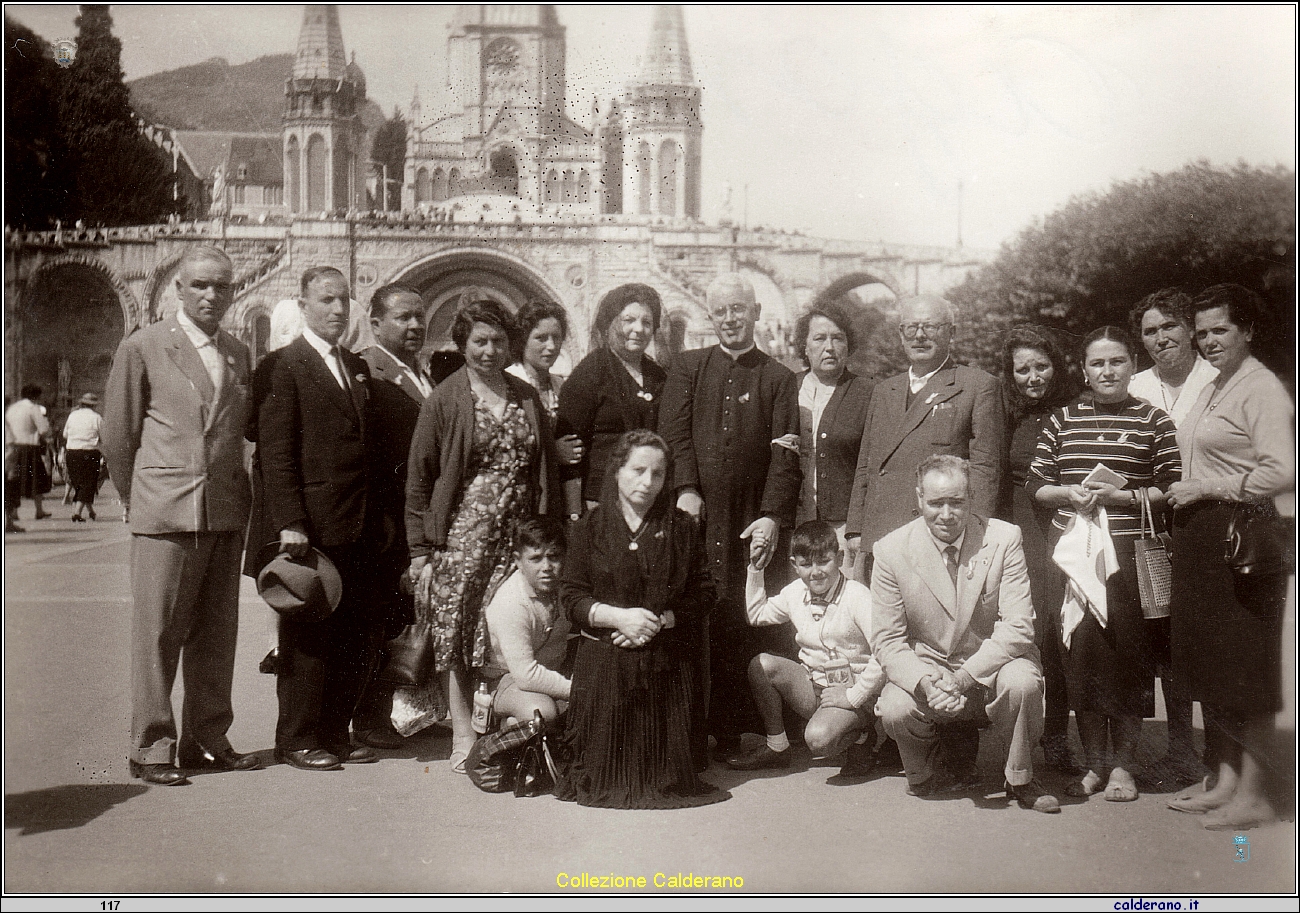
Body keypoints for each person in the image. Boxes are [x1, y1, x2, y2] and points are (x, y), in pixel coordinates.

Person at [101, 245, 259, 785]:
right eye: (201, 286)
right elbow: (118, 434)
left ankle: (207, 738)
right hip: (165, 512)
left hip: (223, 512)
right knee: (158, 635)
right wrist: (138, 497)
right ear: (179, 290)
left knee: (217, 636)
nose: (212, 295)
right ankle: (150, 745)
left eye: (223, 286)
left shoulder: (238, 352)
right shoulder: (144, 346)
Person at [404, 298, 561, 772]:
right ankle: (460, 732)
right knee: (458, 632)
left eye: (498, 341)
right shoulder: (446, 398)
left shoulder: (525, 396)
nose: (490, 351)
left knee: (505, 628)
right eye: (480, 342)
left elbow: (544, 468)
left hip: (516, 536)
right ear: (463, 344)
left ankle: (503, 715)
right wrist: (420, 550)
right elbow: (418, 477)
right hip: (463, 537)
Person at [1027, 326, 1181, 803]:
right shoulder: (1062, 419)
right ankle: (1094, 763)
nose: (1107, 371)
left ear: (1132, 365)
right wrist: (1067, 493)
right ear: (1084, 369)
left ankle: (1123, 767)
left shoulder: (1153, 420)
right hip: (1074, 558)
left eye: (1116, 362)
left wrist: (1124, 496)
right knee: (1083, 659)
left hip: (1131, 559)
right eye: (1098, 363)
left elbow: (1171, 486)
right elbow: (1038, 483)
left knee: (1128, 659)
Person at [658, 273, 802, 762]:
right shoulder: (688, 368)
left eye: (739, 309)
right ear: (710, 315)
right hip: (697, 517)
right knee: (699, 617)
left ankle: (745, 730)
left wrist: (772, 517)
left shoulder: (779, 379)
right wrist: (686, 488)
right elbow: (673, 435)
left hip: (749, 520)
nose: (730, 318)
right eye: (721, 310)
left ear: (756, 312)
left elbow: (786, 455)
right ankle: (696, 728)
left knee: (747, 616)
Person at [1166, 284, 1295, 831]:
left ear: (1247, 331)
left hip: (1246, 541)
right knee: (1213, 667)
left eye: (1221, 329)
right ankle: (1223, 783)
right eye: (1202, 333)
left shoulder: (1261, 387)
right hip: (1206, 543)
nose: (1210, 341)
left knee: (1248, 670)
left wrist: (1206, 488)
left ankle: (1257, 794)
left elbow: (1282, 471)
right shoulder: (1218, 384)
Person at [873, 455, 1059, 814]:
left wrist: (962, 678)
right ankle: (928, 771)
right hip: (931, 672)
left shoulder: (1004, 538)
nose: (946, 514)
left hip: (987, 667)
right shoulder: (890, 550)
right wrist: (928, 684)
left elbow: (1019, 627)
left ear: (971, 498)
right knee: (896, 706)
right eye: (936, 503)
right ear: (918, 499)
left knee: (1022, 681)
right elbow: (888, 642)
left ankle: (1020, 776)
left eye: (956, 502)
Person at [255, 265, 384, 772]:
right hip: (311, 525)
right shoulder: (284, 365)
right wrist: (289, 519)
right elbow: (276, 451)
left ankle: (334, 731)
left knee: (351, 635)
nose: (337, 310)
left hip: (357, 522)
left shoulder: (353, 366)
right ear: (304, 304)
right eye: (326, 300)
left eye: (344, 300)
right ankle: (297, 739)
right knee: (308, 636)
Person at [556, 430, 727, 808]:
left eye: (658, 474)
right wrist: (618, 617)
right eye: (637, 470)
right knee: (603, 776)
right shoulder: (589, 526)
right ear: (617, 470)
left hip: (665, 661)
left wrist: (661, 620)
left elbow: (705, 591)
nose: (647, 483)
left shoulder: (681, 527)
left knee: (664, 777)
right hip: (607, 660)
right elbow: (571, 596)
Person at [1127, 288, 1218, 790]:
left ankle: (1224, 757)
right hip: (1150, 526)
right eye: (1149, 331)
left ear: (1190, 329)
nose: (1160, 338)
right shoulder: (1136, 384)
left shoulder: (1218, 379)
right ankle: (1180, 748)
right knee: (1163, 642)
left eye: (1169, 327)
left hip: (1209, 525)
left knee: (1208, 641)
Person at [846, 293, 1004, 578]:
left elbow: (985, 468)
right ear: (901, 334)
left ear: (951, 333)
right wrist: (856, 529)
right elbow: (867, 465)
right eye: (911, 327)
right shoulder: (883, 390)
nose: (919, 335)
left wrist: (975, 536)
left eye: (930, 327)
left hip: (940, 535)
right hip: (881, 537)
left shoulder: (977, 386)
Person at [727, 520, 884, 778]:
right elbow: (757, 615)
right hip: (816, 688)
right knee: (761, 665)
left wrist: (854, 696)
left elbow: (883, 654)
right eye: (806, 564)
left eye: (823, 561)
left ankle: (863, 737)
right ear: (794, 564)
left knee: (818, 741)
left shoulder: (858, 596)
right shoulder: (794, 593)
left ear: (840, 557)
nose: (815, 572)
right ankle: (777, 746)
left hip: (858, 691)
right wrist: (756, 569)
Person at [350, 283, 433, 750]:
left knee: (403, 619)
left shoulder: (415, 372)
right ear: (377, 322)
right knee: (379, 623)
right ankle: (367, 717)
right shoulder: (369, 370)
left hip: (413, 520)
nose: (416, 325)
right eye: (403, 317)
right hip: (387, 520)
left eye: (419, 316)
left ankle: (392, 713)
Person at [997, 326, 1079, 773]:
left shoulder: (1077, 408)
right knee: (1025, 631)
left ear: (1056, 365)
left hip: (1064, 528)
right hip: (1019, 529)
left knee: (1059, 632)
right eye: (1022, 369)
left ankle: (1059, 735)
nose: (1033, 377)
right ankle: (1018, 736)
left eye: (1041, 366)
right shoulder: (1007, 413)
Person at [557, 283, 667, 515]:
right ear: (610, 323)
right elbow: (571, 453)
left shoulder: (658, 377)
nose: (638, 329)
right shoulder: (590, 373)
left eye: (647, 322)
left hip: (651, 498)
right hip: (602, 501)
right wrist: (574, 513)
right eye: (629, 320)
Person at [790, 303, 875, 567]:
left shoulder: (868, 392)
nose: (829, 347)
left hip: (844, 530)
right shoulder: (786, 389)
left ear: (848, 345)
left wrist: (858, 527)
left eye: (838, 338)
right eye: (819, 338)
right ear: (804, 347)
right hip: (792, 524)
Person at [483, 516, 572, 725]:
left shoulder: (563, 588)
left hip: (551, 671)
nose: (547, 567)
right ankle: (505, 729)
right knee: (541, 713)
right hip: (506, 679)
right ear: (517, 560)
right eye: (536, 558)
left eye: (554, 557)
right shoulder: (512, 602)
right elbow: (525, 674)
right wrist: (575, 689)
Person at [507, 299, 584, 476]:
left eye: (556, 338)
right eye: (541, 338)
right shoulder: (508, 384)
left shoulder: (561, 385)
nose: (551, 346)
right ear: (522, 340)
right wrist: (552, 452)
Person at [5, 384, 52, 525]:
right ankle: (39, 510)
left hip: (13, 446)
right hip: (30, 447)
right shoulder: (33, 408)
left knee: (14, 480)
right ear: (36, 396)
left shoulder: (12, 408)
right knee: (37, 479)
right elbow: (43, 429)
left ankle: (13, 512)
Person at [62, 392, 104, 522]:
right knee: (88, 483)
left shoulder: (72, 415)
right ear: (94, 406)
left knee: (78, 483)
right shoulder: (97, 417)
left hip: (72, 452)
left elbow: (65, 434)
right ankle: (77, 513)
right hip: (89, 452)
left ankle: (91, 511)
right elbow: (104, 436)